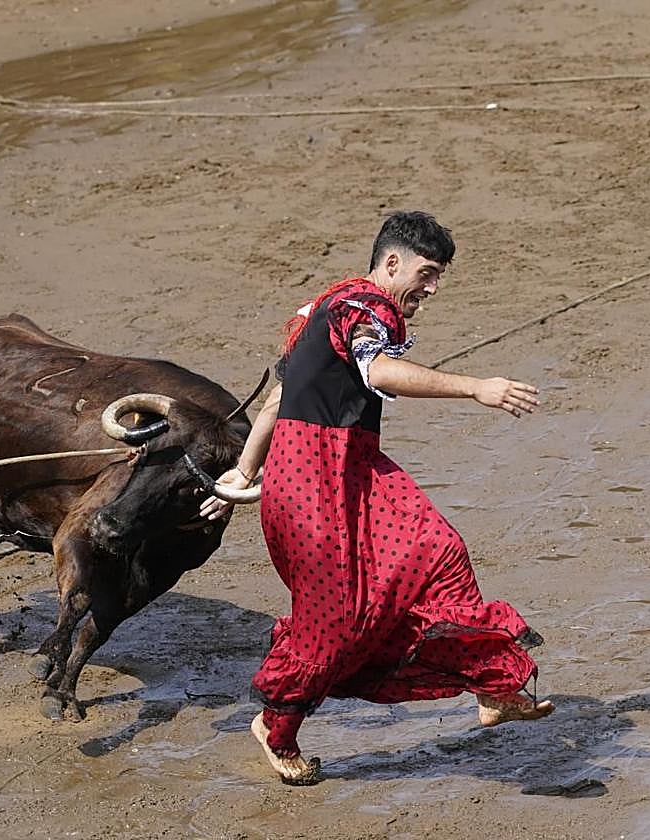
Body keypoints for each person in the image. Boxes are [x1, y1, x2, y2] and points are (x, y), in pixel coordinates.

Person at [201, 210, 553, 785]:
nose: (432, 289)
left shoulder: (324, 307)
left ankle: (494, 687)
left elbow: (276, 402)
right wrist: (476, 388)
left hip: (353, 470)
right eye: (428, 273)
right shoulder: (366, 306)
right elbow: (380, 371)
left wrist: (242, 475)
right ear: (393, 263)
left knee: (440, 553)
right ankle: (275, 727)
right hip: (313, 480)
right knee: (334, 624)